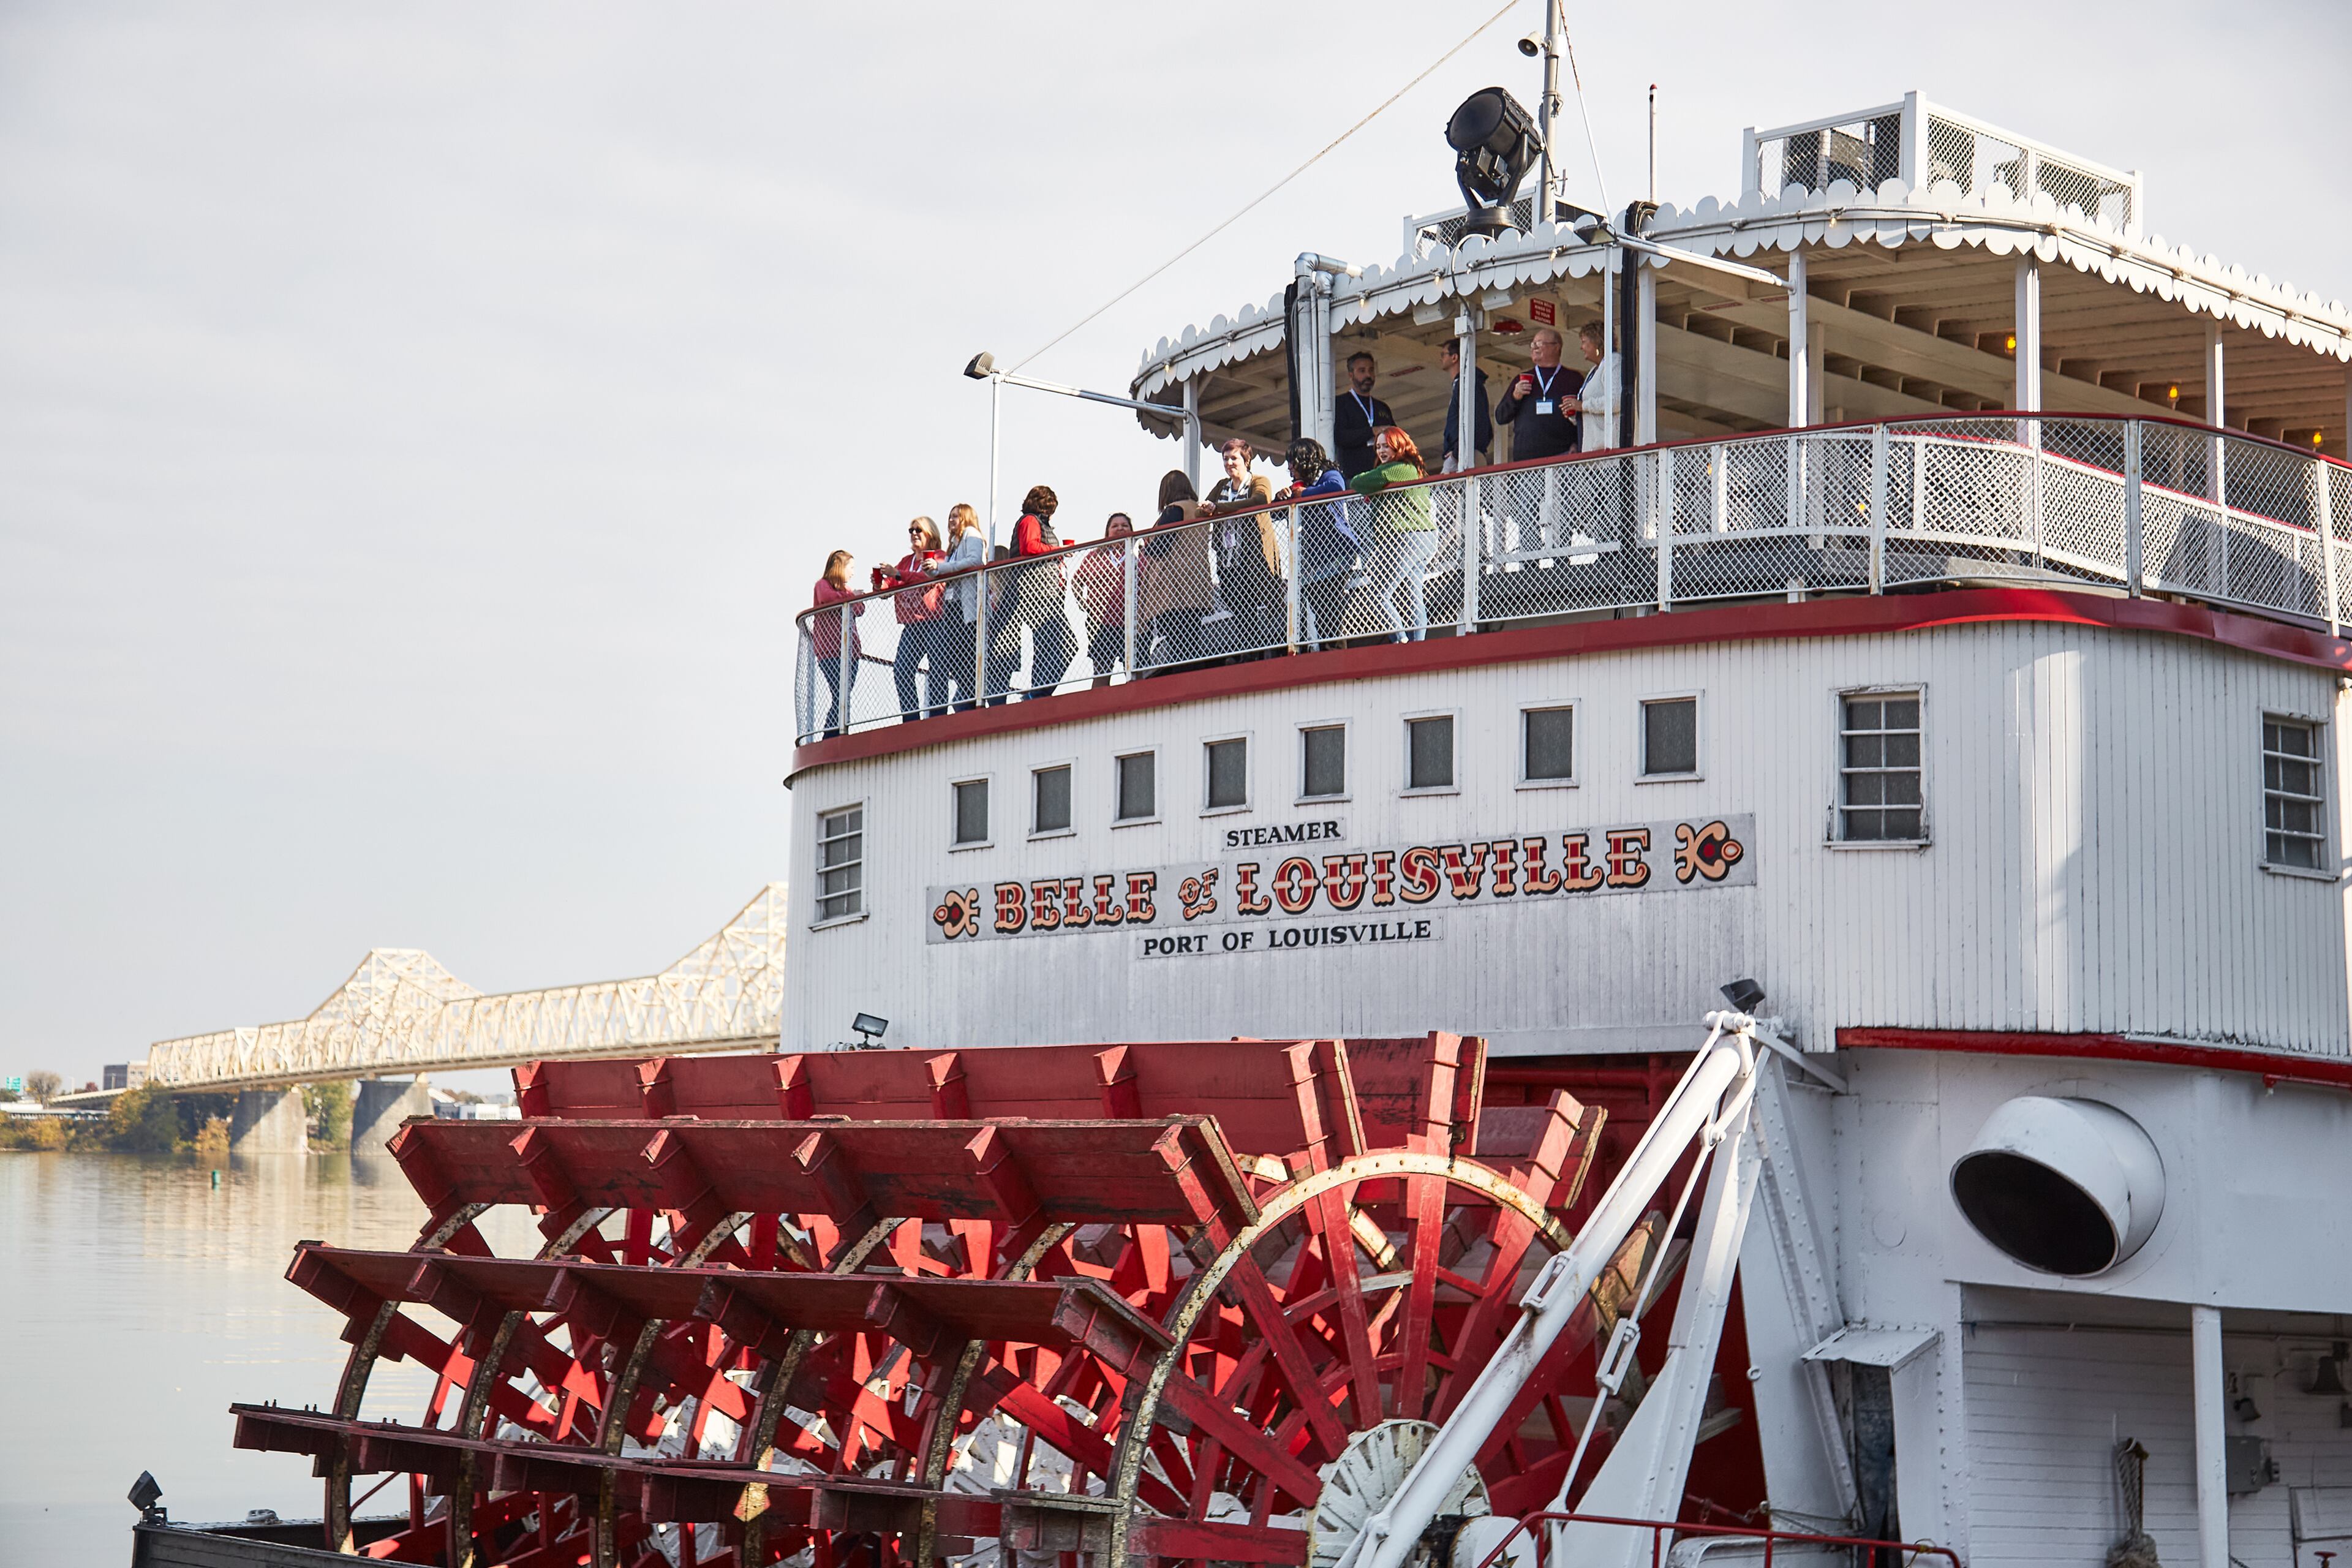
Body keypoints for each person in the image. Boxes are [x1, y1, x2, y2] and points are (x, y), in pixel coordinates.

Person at [1349, 426, 1438, 642]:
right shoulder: (1414, 469)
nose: (1381, 451)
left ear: (1399, 445)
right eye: (1378, 447)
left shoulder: (1400, 468)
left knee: (1379, 592)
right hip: (1422, 538)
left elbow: (1358, 482)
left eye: (1386, 446)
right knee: (1412, 595)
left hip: (1406, 537)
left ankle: (1402, 641)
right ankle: (1418, 644)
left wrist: (1377, 483)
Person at [1278, 438, 1359, 650]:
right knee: (1320, 611)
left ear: (1305, 459)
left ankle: (1336, 651)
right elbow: (1276, 512)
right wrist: (1282, 498)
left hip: (1337, 553)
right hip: (1314, 560)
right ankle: (1327, 650)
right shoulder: (1299, 486)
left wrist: (1304, 495)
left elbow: (1336, 487)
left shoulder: (1327, 475)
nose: (1289, 467)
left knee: (1332, 609)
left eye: (1293, 462)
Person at [1203, 438, 1283, 654]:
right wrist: (1208, 508)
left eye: (1234, 458)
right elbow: (1205, 509)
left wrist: (1220, 508)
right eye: (1225, 459)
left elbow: (1260, 501)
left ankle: (1272, 650)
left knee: (1267, 604)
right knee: (1240, 610)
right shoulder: (1222, 486)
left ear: (1246, 460)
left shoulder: (1259, 480)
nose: (1229, 463)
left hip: (1255, 558)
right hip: (1229, 560)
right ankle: (1248, 653)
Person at [1139, 470, 1214, 674]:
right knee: (1191, 637)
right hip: (1196, 580)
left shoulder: (1174, 510)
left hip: (1174, 586)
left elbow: (1161, 546)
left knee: (1178, 639)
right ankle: (1194, 674)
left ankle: (1185, 677)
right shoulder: (1198, 510)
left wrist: (1146, 547)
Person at [1006, 484, 1076, 700]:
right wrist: (1058, 551)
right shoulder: (1030, 520)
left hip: (1047, 592)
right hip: (1035, 591)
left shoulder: (1037, 522)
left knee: (1057, 644)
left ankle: (1039, 692)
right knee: (1053, 643)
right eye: (1049, 508)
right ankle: (1037, 694)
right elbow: (1029, 547)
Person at [880, 516, 948, 722]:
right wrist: (879, 585)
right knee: (902, 669)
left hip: (936, 621)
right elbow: (889, 587)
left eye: (919, 529)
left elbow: (929, 577)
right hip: (912, 624)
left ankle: (937, 718)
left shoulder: (939, 557)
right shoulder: (906, 561)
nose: (914, 534)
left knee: (938, 670)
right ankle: (911, 719)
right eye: (911, 530)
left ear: (930, 533)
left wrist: (898, 574)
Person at [1493, 326, 1583, 462]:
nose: (1534, 348)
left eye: (1540, 343)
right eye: (1533, 344)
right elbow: (1501, 417)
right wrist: (1515, 397)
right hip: (1526, 460)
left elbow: (1585, 417)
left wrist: (1578, 444)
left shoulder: (1573, 379)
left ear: (1557, 347)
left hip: (1563, 457)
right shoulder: (1522, 379)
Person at [1074, 513, 1135, 688]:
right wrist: (1082, 602)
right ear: (1107, 531)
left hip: (1131, 622)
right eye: (1115, 526)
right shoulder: (1095, 556)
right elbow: (1078, 580)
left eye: (1124, 525)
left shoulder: (1136, 554)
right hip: (1102, 624)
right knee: (1101, 672)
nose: (1120, 529)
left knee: (1133, 672)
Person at [936, 503, 987, 712]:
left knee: (965, 657)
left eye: (956, 516)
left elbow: (974, 560)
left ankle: (970, 701)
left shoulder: (971, 534)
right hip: (952, 607)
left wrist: (943, 567)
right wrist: (933, 569)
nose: (951, 520)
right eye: (950, 516)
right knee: (954, 657)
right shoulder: (954, 544)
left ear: (966, 518)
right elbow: (945, 571)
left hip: (966, 607)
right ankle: (966, 698)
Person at [809, 549, 864, 737]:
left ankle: (836, 733)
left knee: (844, 695)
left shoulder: (846, 591)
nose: (853, 573)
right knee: (840, 694)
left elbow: (860, 608)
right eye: (851, 568)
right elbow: (827, 598)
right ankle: (831, 736)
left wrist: (852, 597)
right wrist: (852, 597)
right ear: (840, 568)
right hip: (830, 652)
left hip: (850, 652)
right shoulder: (822, 585)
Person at [1333, 352, 1395, 480]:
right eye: (1362, 371)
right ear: (1351, 375)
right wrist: (1371, 432)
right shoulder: (1341, 403)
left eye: (1371, 370)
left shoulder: (1382, 407)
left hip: (1384, 476)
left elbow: (1397, 438)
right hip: (1354, 478)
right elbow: (1341, 437)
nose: (1368, 375)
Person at [1439, 339, 1494, 472]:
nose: (1441, 359)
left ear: (1454, 357)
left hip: (1466, 457)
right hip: (1464, 454)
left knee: (1442, 492)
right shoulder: (1464, 383)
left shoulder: (1468, 382)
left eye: (1443, 355)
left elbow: (1476, 420)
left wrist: (1457, 454)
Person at [1573, 318, 1619, 453]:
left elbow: (1616, 401)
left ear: (1597, 342)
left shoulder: (1614, 362)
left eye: (1584, 342)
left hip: (1608, 452)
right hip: (1592, 450)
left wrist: (1582, 406)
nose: (1581, 347)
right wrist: (1574, 412)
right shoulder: (1594, 370)